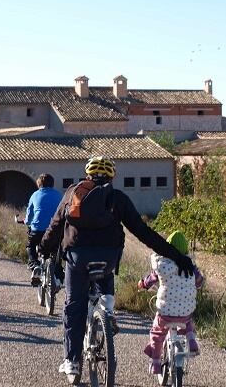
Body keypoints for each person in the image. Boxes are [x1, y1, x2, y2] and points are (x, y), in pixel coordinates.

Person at [39, 156, 195, 380]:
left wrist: (44, 249)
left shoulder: (73, 193)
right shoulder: (117, 198)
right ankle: (107, 309)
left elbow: (55, 225)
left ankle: (72, 362)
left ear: (87, 175)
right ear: (112, 177)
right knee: (104, 272)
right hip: (107, 259)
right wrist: (177, 255)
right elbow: (143, 232)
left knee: (74, 305)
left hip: (77, 258)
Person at [138, 230, 203, 374]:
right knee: (188, 322)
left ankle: (155, 362)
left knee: (157, 333)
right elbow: (199, 282)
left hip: (166, 312)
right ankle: (191, 339)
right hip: (185, 311)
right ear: (185, 249)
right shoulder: (190, 266)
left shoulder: (162, 265)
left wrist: (142, 284)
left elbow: (150, 280)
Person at [25, 173, 62, 285]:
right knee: (56, 250)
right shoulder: (59, 195)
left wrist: (27, 222)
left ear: (39, 184)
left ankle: (35, 265)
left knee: (31, 246)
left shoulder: (35, 195)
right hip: (55, 230)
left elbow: (29, 214)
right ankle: (57, 274)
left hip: (38, 229)